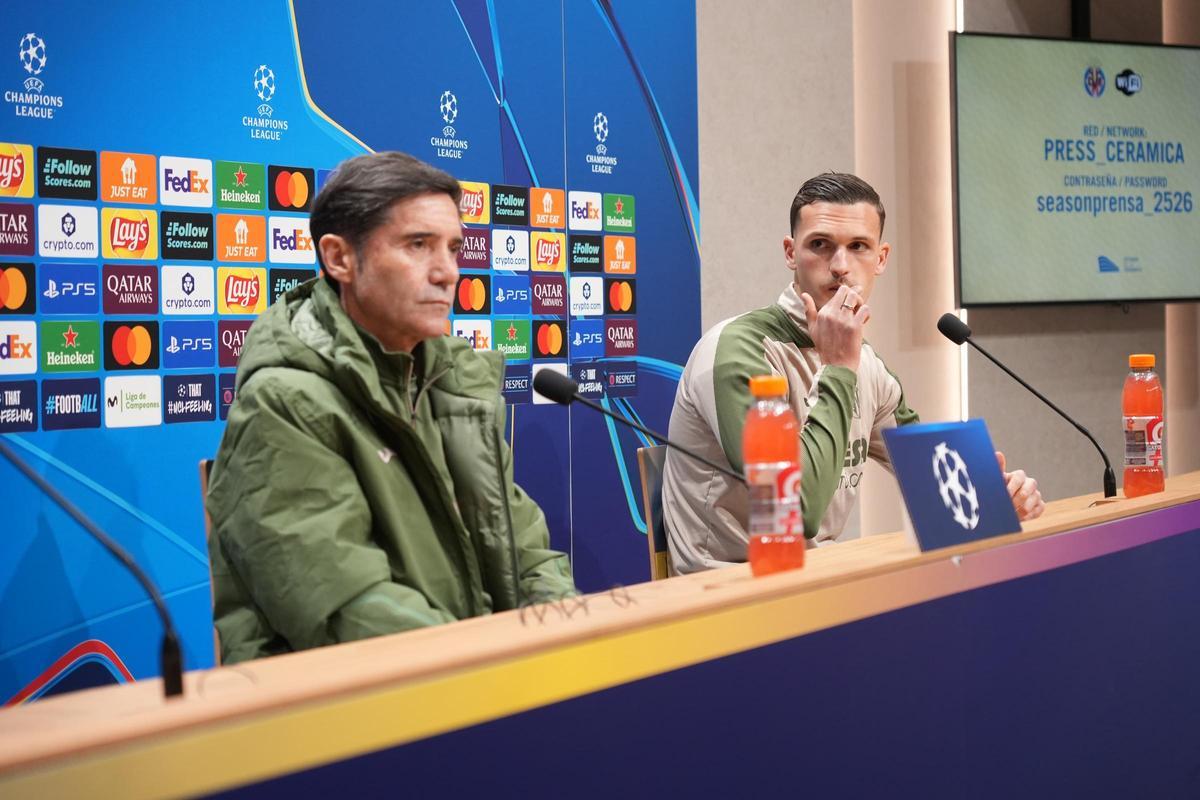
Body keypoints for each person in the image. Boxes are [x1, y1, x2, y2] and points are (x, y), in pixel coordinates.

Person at [206, 152, 575, 663]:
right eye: (418, 245)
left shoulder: (455, 383)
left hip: (473, 680)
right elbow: (349, 608)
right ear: (339, 259)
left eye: (453, 248)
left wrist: (572, 642)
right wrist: (493, 665)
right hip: (346, 712)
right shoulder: (284, 402)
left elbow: (525, 552)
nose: (447, 272)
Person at [662, 172, 1044, 574]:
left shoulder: (868, 366)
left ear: (880, 259)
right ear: (791, 253)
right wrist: (839, 368)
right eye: (820, 245)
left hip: (820, 582)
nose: (841, 266)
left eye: (858, 246)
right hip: (728, 594)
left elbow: (933, 478)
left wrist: (996, 499)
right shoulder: (736, 352)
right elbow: (796, 512)